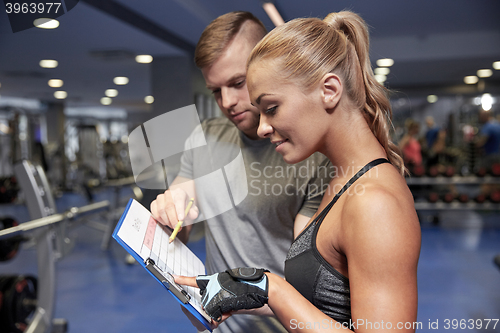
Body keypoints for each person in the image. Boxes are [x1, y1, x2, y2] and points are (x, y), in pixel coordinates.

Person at [176, 10, 421, 332]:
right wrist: (251, 293)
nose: (263, 127)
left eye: (272, 108)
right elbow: (325, 306)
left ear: (329, 90)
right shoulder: (345, 182)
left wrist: (272, 288)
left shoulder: (375, 203)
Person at [150, 11, 332, 333]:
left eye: (237, 83)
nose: (228, 102)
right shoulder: (204, 137)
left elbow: (310, 280)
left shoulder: (310, 157)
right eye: (215, 91)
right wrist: (169, 212)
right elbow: (183, 208)